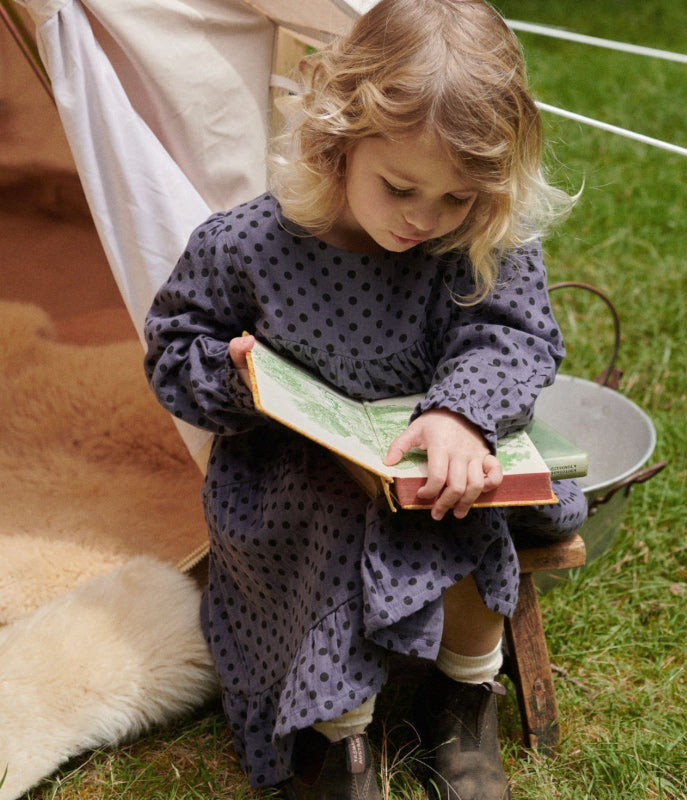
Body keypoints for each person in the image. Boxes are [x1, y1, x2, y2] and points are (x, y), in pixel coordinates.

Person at [144, 0, 587, 797]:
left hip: (438, 452)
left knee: (467, 499)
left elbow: (514, 335)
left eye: (456, 198)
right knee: (339, 519)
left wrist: (458, 413)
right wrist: (237, 379)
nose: (425, 218)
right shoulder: (250, 243)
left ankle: (462, 699)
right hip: (293, 474)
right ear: (337, 140)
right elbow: (173, 349)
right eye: (401, 187)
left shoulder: (481, 238)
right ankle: (337, 734)